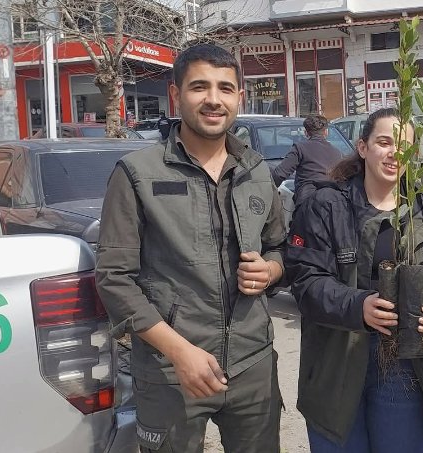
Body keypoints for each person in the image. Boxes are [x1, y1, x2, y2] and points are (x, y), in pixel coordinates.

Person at [96, 43, 287, 453]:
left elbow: (280, 247)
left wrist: (270, 271)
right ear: (175, 95)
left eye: (225, 88)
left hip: (252, 363)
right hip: (170, 371)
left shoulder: (256, 170)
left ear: (239, 96)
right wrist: (180, 352)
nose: (214, 99)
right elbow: (114, 278)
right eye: (200, 87)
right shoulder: (136, 174)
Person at [284, 108, 423, 452]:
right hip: (337, 361)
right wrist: (358, 306)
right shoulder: (325, 205)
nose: (395, 153)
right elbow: (306, 281)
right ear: (363, 147)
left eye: (404, 146)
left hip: (406, 368)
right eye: (384, 142)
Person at [271, 114, 344, 206]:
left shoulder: (300, 148)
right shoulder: (337, 152)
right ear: (326, 132)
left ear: (306, 133)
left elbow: (279, 174)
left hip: (307, 202)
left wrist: (269, 191)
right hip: (334, 204)